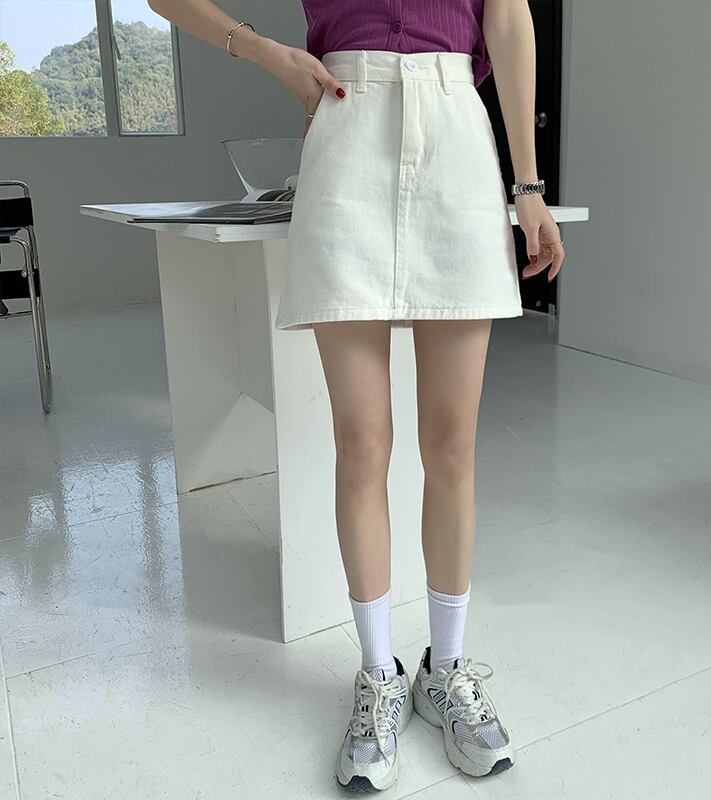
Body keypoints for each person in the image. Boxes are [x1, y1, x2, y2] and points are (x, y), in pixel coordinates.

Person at [148, 0, 565, 792]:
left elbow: (508, 18)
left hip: (456, 130)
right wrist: (267, 53)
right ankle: (378, 674)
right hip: (347, 129)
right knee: (362, 445)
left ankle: (445, 670)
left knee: (452, 445)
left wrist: (528, 184)